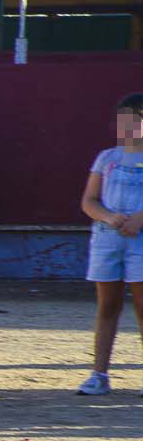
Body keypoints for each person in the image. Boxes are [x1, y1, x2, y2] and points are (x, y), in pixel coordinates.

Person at [76, 92, 143, 395]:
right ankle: (99, 373)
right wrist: (108, 217)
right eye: (122, 120)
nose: (126, 127)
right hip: (107, 239)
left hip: (140, 241)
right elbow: (89, 201)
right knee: (107, 306)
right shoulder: (107, 158)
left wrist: (139, 219)